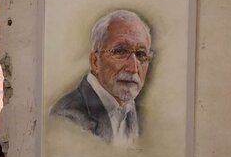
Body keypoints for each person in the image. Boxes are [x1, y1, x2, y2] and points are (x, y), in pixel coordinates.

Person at [50, 9, 154, 146]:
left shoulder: (145, 116)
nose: (133, 68)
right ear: (95, 62)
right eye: (120, 51)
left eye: (141, 54)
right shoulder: (67, 118)